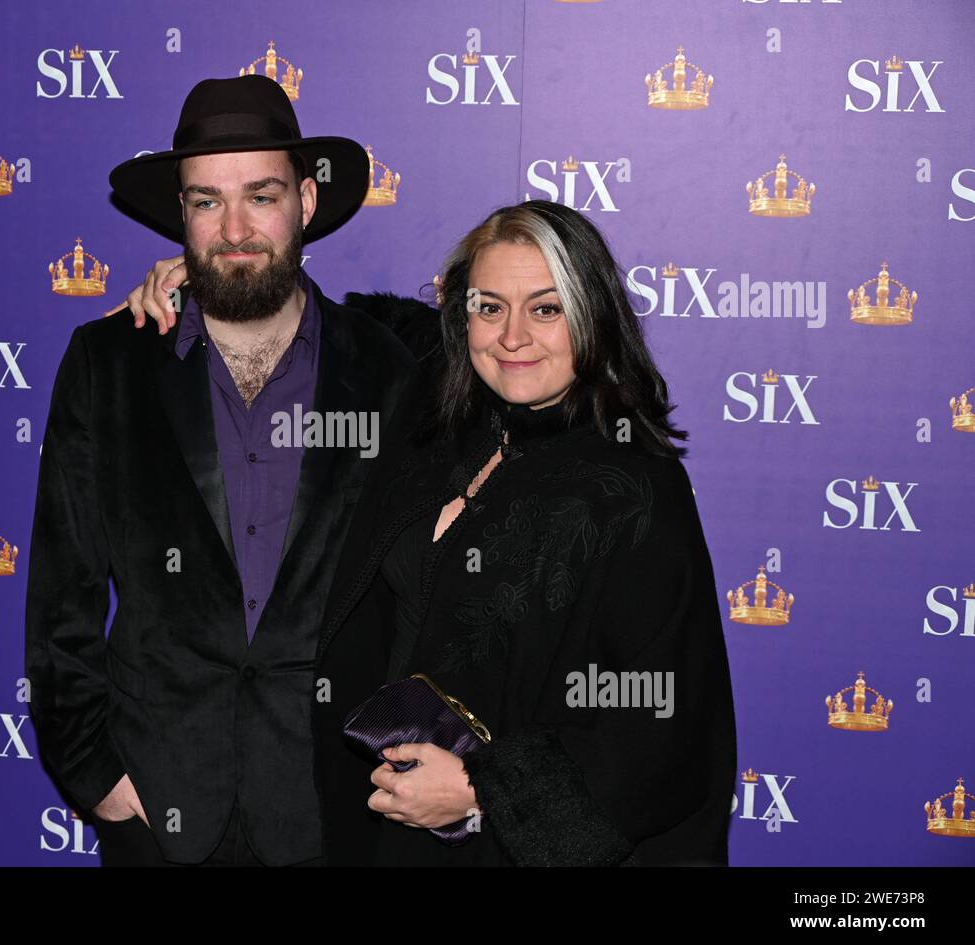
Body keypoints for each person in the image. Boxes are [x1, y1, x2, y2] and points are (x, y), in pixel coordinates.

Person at [125, 200, 737, 866]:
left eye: (546, 308)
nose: (512, 337)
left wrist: (480, 791)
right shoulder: (438, 411)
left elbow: (664, 724)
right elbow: (337, 325)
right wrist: (222, 275)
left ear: (593, 316)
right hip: (374, 828)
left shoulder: (635, 488)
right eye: (489, 307)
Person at [23, 73, 414, 867]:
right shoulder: (108, 365)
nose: (234, 229)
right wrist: (95, 775)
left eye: (260, 196)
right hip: (155, 802)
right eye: (206, 201)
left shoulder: (387, 368)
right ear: (180, 216)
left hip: (332, 803)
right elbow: (60, 599)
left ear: (306, 200)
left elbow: (512, 342)